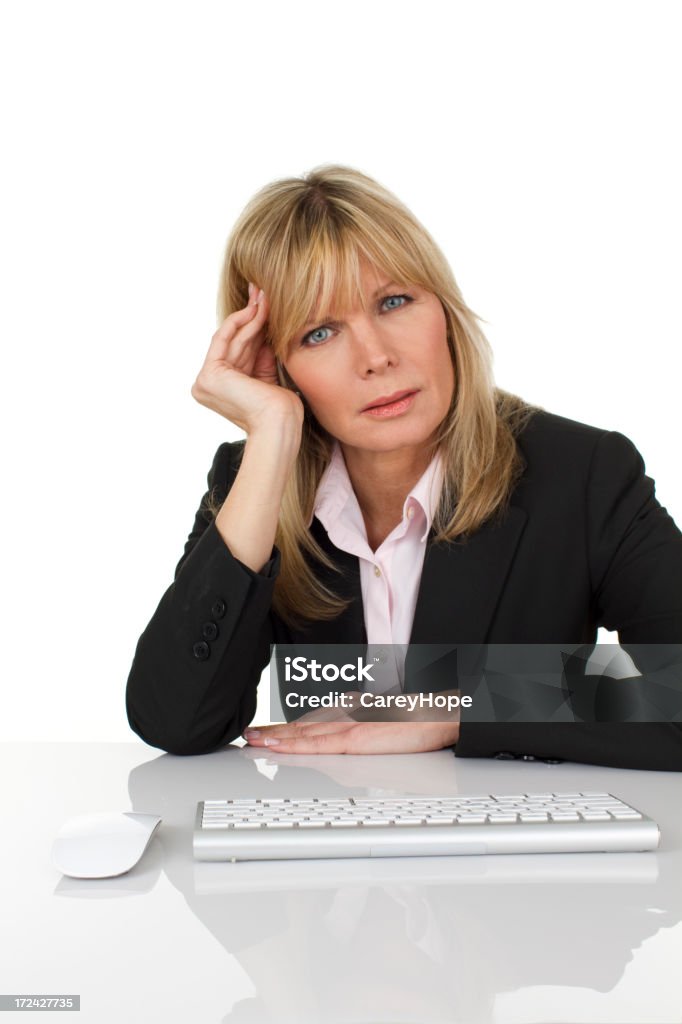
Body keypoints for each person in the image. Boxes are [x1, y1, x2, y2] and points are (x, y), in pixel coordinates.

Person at [125, 165, 682, 769]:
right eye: (318, 333)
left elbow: (675, 683)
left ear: (442, 308)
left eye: (394, 302)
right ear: (276, 364)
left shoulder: (583, 474)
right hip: (323, 846)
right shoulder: (255, 482)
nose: (376, 357)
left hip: (512, 847)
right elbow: (173, 721)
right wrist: (272, 434)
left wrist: (459, 708)